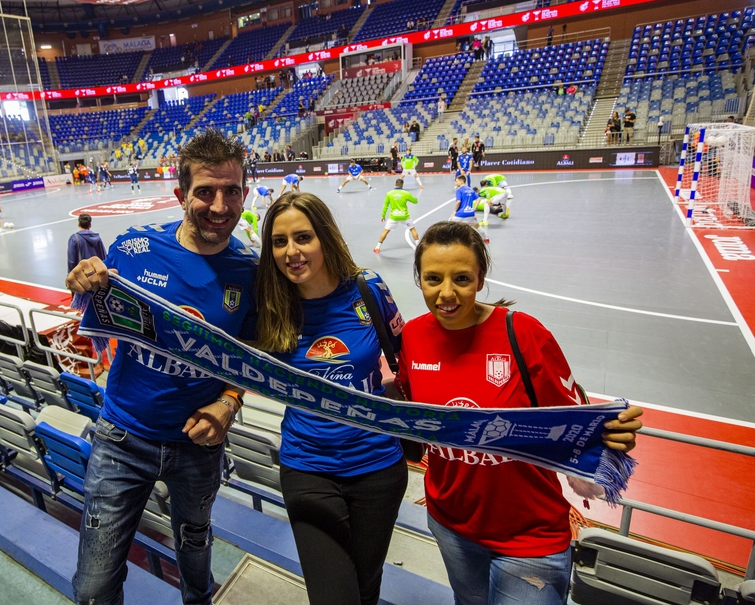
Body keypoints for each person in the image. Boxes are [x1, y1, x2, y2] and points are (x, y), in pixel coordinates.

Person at [396, 221, 643, 605]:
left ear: (480, 278)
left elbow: (576, 418)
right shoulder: (413, 336)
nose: (446, 293)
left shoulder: (523, 333)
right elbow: (411, 413)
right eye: (433, 279)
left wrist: (612, 436)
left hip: (530, 537)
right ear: (420, 280)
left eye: (461, 278)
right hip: (450, 524)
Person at [65, 129, 254, 605]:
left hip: (198, 447)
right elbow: (92, 301)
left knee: (195, 544)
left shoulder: (252, 273)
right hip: (122, 439)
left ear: (245, 194)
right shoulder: (132, 248)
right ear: (180, 195)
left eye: (231, 191)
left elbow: (250, 356)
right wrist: (82, 280)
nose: (219, 205)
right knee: (92, 588)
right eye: (205, 192)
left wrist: (229, 402)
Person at [254, 192, 407, 605]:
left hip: (378, 467)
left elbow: (407, 356)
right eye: (279, 241)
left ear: (325, 237)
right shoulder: (268, 303)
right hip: (307, 467)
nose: (292, 251)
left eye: (303, 237)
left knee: (364, 590)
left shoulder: (368, 289)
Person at [374, 178, 421, 254]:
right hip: (404, 216)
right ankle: (418, 246)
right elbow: (415, 201)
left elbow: (385, 206)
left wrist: (383, 215)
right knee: (412, 230)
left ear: (395, 184)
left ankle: (377, 247)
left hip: (393, 217)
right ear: (402, 185)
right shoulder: (406, 193)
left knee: (385, 231)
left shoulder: (389, 194)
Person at [451, 174, 489, 243]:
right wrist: (474, 208)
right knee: (477, 226)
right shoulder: (471, 190)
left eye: (456, 181)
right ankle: (486, 238)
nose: (455, 183)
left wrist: (454, 211)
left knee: (450, 225)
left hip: (460, 215)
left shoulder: (458, 190)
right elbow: (478, 199)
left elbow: (458, 202)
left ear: (461, 181)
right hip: (471, 214)